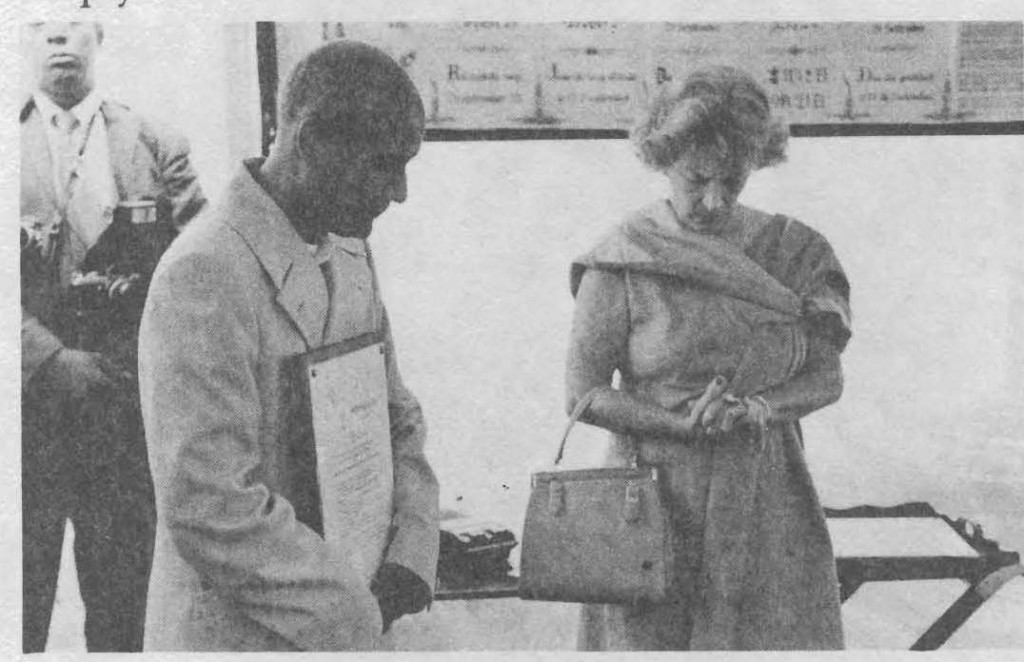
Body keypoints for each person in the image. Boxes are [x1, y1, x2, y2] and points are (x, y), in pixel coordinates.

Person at [138, 41, 440, 651]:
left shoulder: (350, 249)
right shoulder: (203, 271)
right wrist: (355, 610)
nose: (401, 191)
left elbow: (396, 415)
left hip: (350, 612)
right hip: (240, 636)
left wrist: (410, 553)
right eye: (384, 165)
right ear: (313, 141)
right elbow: (209, 504)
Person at [566, 65, 852, 650]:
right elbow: (584, 395)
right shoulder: (624, 258)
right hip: (653, 501)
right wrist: (678, 425)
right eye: (697, 179)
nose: (715, 200)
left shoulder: (795, 252)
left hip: (768, 499)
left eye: (733, 180)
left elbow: (828, 375)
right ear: (664, 158)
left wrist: (761, 408)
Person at [20, 21, 206, 652]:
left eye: (73, 22)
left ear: (98, 34)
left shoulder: (156, 143)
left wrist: (130, 359)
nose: (58, 37)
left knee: (124, 611)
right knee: (17, 608)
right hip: (21, 421)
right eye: (40, 24)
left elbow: (196, 266)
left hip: (120, 417)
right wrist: (48, 358)